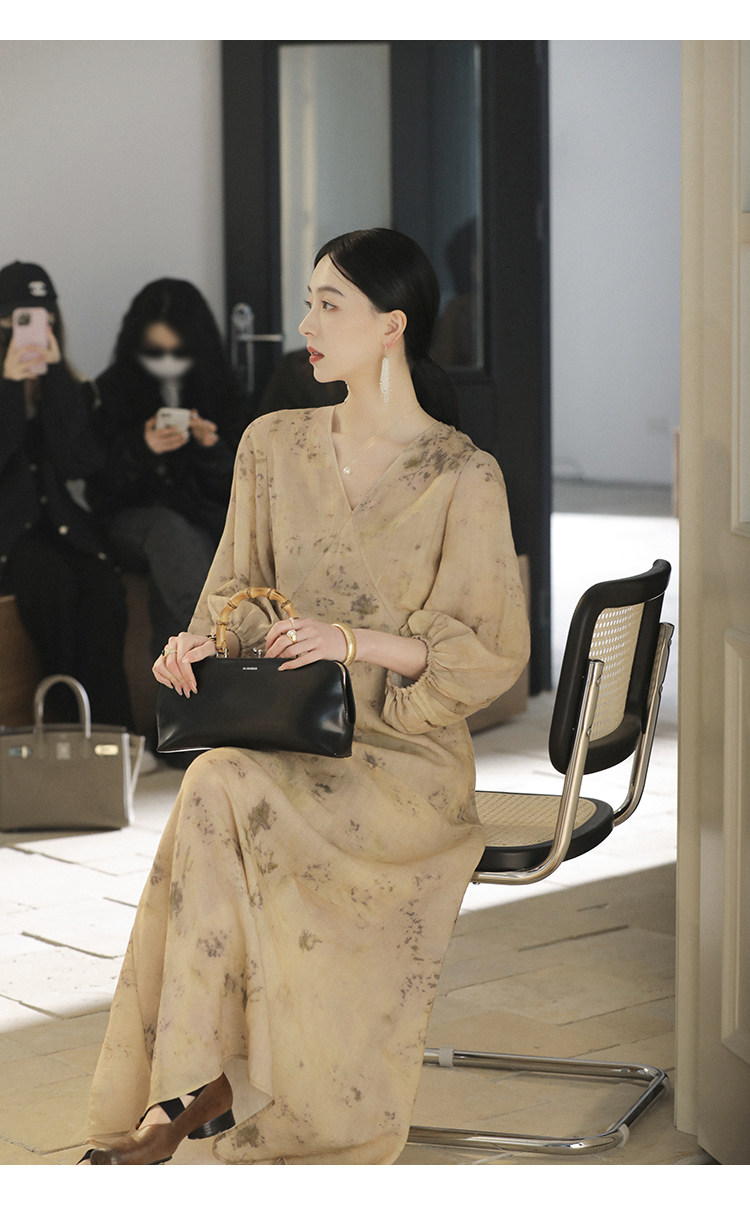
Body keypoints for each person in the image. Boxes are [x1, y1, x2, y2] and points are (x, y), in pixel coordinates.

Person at [81, 229, 530, 1166]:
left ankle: (217, 1083)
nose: (306, 325)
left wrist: (352, 641)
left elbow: (490, 654)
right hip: (289, 739)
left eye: (330, 304)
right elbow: (233, 594)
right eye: (309, 302)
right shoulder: (272, 444)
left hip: (402, 764)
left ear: (391, 325)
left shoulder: (462, 474)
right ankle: (195, 1076)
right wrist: (199, 644)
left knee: (221, 788)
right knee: (216, 780)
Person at [0, 261, 133, 729]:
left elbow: (79, 461)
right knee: (51, 584)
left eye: (43, 318)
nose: (31, 330)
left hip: (62, 528)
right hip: (11, 539)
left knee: (103, 587)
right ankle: (70, 728)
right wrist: (9, 388)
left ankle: (113, 736)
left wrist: (54, 377)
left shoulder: (71, 387)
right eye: (18, 318)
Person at [87, 278, 248, 662]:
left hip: (200, 519)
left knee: (187, 548)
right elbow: (97, 486)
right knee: (170, 533)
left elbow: (240, 486)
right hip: (134, 520)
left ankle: (179, 679)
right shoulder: (112, 390)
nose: (167, 362)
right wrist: (141, 448)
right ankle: (212, 647)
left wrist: (210, 448)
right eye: (155, 352)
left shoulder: (220, 389)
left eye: (178, 352)